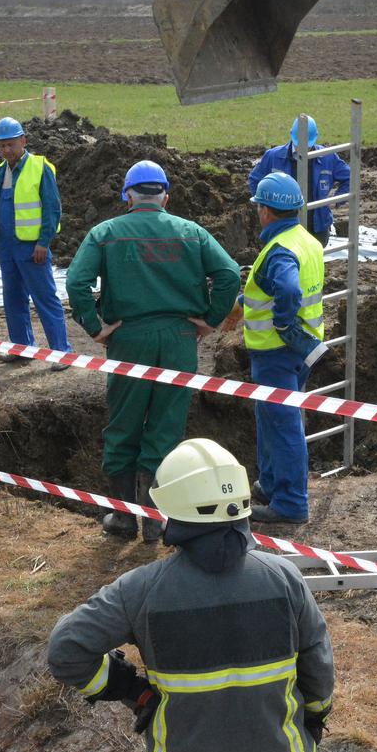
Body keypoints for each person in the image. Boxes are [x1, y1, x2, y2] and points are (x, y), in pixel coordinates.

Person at [47, 438, 334, 752]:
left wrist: (131, 690)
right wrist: (314, 717)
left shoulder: (140, 590)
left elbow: (66, 650)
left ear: (174, 512)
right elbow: (318, 674)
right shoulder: (285, 578)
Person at [66, 160, 240, 541]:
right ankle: (155, 520)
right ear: (165, 194)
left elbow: (76, 282)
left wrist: (96, 329)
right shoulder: (191, 232)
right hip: (179, 340)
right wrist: (209, 320)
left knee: (124, 423)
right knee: (166, 427)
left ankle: (123, 517)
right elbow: (229, 274)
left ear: (127, 195)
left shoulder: (106, 232)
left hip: (128, 339)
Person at [231, 173, 326, 526]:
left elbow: (287, 289)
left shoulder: (280, 250)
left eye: (258, 206)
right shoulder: (305, 241)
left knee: (283, 425)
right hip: (300, 351)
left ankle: (289, 502)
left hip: (276, 351)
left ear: (266, 211)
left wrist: (284, 324)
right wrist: (245, 301)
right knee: (270, 419)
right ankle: (270, 483)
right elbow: (278, 288)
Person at [0, 116, 69, 363]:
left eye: (10, 144)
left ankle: (61, 352)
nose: (6, 150)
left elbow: (52, 209)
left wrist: (44, 242)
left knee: (45, 298)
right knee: (13, 298)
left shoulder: (39, 168)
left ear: (23, 141)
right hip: (7, 247)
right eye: (1, 146)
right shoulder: (1, 172)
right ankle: (22, 349)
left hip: (32, 248)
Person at [248, 116, 350, 246]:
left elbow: (350, 178)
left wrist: (336, 200)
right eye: (298, 144)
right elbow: (255, 179)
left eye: (306, 144)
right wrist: (265, 205)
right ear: (291, 135)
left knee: (312, 261)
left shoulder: (327, 157)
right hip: (283, 225)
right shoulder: (273, 157)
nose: (302, 148)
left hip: (317, 227)